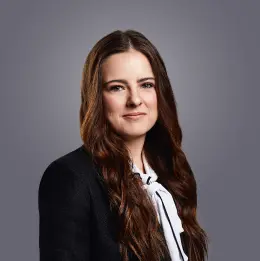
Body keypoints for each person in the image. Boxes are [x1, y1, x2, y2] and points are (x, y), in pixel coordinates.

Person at [38, 29, 209, 261]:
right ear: (96, 97)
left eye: (146, 85)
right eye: (117, 87)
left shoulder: (172, 173)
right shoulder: (69, 177)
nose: (135, 100)